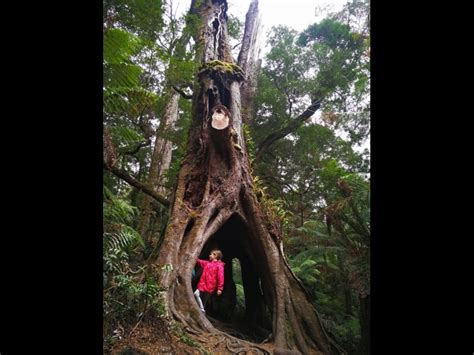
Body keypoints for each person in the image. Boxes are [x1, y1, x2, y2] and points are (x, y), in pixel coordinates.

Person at [193, 249, 225, 314]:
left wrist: (220, 288)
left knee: (205, 300)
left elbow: (221, 277)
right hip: (202, 284)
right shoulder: (207, 263)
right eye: (210, 254)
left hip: (210, 286)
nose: (209, 255)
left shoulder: (219, 266)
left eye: (211, 254)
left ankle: (202, 312)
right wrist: (193, 257)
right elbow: (199, 261)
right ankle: (202, 309)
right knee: (196, 294)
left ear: (216, 256)